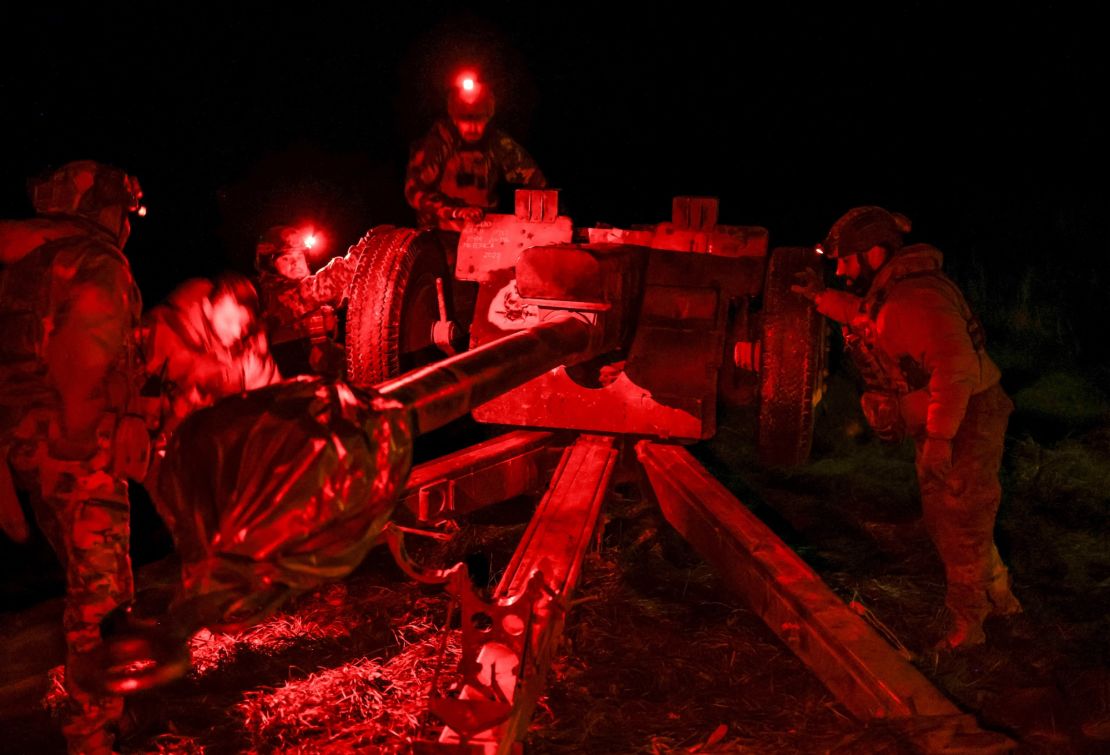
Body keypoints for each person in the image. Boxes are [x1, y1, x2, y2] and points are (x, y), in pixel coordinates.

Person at [792, 205, 1023, 650]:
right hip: (955, 415)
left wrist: (939, 440)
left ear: (876, 253)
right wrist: (820, 299)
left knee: (959, 520)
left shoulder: (917, 298)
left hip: (965, 418)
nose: (840, 270)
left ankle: (968, 626)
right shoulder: (896, 292)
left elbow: (955, 371)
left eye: (846, 260)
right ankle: (1001, 597)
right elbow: (867, 315)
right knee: (958, 516)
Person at [0, 160, 147, 753]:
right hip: (77, 446)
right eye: (123, 212)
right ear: (104, 208)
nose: (127, 226)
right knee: (101, 598)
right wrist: (118, 430)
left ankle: (115, 709)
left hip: (30, 448)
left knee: (91, 585)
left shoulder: (24, 261)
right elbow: (89, 360)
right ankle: (92, 731)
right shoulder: (94, 259)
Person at [141, 271, 281, 437]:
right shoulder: (166, 331)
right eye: (228, 320)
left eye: (243, 324)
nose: (237, 332)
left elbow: (276, 396)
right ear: (207, 308)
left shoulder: (247, 349)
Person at [405, 71, 546, 232]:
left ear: (488, 118)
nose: (473, 128)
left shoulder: (497, 143)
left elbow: (536, 180)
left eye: (479, 120)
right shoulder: (437, 144)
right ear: (454, 119)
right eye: (466, 120)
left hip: (483, 235)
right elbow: (414, 190)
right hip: (438, 236)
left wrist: (544, 219)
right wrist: (455, 211)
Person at [254, 225, 355, 378]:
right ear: (271, 266)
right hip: (297, 387)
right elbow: (321, 287)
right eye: (286, 258)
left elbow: (344, 293)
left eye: (299, 256)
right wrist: (360, 256)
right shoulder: (273, 297)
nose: (295, 263)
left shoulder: (311, 292)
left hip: (327, 377)